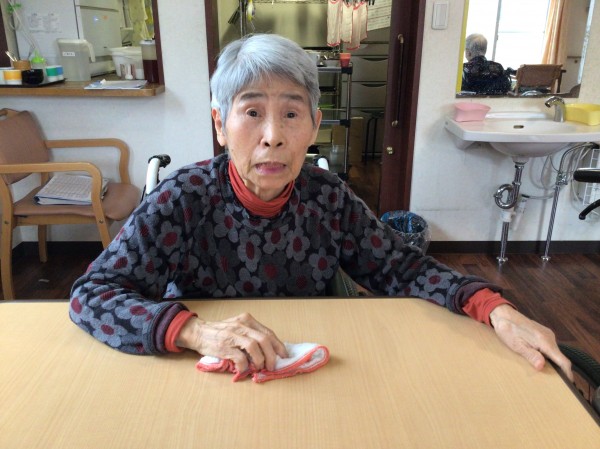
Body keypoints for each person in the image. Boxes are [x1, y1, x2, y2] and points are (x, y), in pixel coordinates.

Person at [69, 33, 572, 380]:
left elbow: (403, 269)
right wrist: (196, 332)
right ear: (220, 124)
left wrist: (494, 308)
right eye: (251, 112)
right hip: (209, 371)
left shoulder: (327, 198)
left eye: (291, 114)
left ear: (314, 124)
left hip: (310, 365)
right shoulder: (182, 197)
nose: (273, 136)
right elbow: (91, 294)